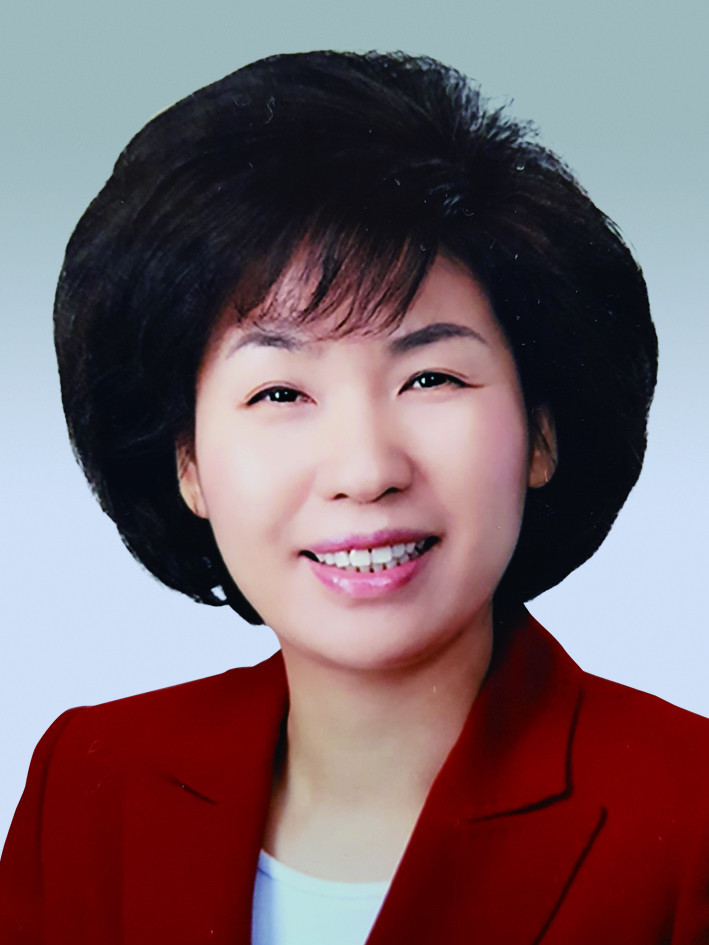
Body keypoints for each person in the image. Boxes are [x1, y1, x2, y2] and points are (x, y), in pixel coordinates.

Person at [1, 49, 707, 944]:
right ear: (188, 463)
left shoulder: (688, 817)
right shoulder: (90, 780)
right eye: (279, 392)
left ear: (540, 433)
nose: (365, 469)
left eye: (431, 378)